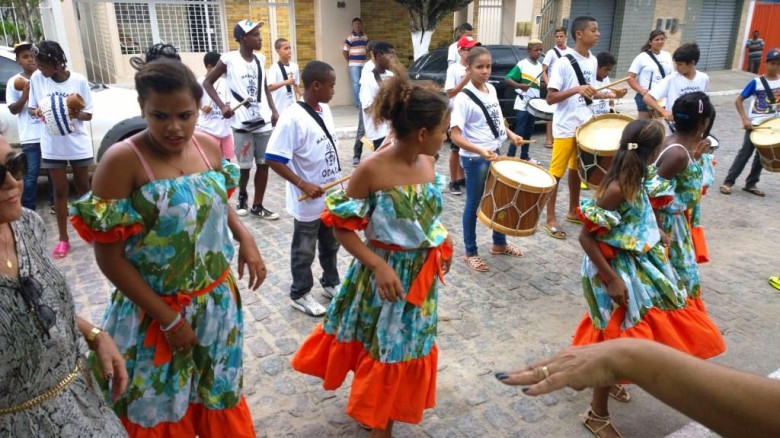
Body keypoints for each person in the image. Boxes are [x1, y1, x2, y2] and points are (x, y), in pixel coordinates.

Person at [69, 60, 265, 436]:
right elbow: (108, 258)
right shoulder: (123, 161)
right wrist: (169, 319)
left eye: (185, 115)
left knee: (215, 394)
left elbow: (215, 200)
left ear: (198, 108)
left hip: (217, 307)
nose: (174, 127)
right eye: (159, 115)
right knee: (154, 403)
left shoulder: (208, 147)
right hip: (152, 313)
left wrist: (245, 236)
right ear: (142, 109)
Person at [291, 72, 453, 438]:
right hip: (385, 278)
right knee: (387, 349)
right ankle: (381, 425)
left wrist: (441, 243)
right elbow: (341, 228)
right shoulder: (372, 169)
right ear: (424, 133)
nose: (447, 135)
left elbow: (425, 218)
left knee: (401, 346)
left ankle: (378, 411)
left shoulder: (429, 164)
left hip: (420, 282)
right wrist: (379, 265)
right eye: (444, 129)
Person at [569, 119, 724, 437]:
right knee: (617, 337)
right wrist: (612, 279)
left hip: (636, 263)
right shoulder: (616, 188)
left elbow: (640, 213)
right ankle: (596, 415)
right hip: (611, 270)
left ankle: (608, 383)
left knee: (643, 325)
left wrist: (656, 235)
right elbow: (587, 238)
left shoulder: (641, 177)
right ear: (653, 152)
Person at [0, 135, 128, 436]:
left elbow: (41, 303)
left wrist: (95, 335)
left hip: (83, 404)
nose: (12, 182)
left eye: (15, 165)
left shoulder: (27, 224)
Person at [496, 338, 779, 438]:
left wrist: (631, 358)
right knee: (610, 334)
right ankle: (598, 412)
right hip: (624, 280)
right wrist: (629, 357)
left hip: (645, 278)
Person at [265, 61, 341, 317]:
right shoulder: (291, 117)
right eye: (330, 86)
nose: (333, 91)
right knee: (304, 249)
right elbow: (273, 158)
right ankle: (300, 293)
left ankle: (330, 282)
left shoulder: (325, 110)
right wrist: (302, 183)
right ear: (315, 85)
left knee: (330, 245)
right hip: (307, 199)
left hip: (329, 196)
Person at [451, 47, 526, 272]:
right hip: (476, 160)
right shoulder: (463, 98)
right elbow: (454, 135)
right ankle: (470, 251)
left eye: (488, 66)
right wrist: (479, 150)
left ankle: (499, 243)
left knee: (500, 199)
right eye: (479, 67)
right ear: (468, 68)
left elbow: (497, 118)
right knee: (474, 204)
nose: (485, 71)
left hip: (496, 152)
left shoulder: (491, 89)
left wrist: (511, 135)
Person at [204, 19, 280, 219]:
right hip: (241, 123)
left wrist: (273, 110)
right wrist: (223, 106)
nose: (259, 38)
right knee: (245, 167)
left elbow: (264, 87)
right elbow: (207, 83)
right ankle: (243, 197)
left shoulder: (261, 59)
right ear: (242, 38)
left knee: (264, 164)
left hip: (262, 121)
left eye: (258, 34)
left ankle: (258, 205)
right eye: (254, 34)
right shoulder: (228, 59)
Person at [646, 92, 716, 302]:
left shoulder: (678, 147)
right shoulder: (677, 153)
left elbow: (678, 182)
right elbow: (653, 194)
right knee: (677, 284)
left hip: (676, 223)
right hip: (668, 227)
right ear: (704, 123)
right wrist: (658, 233)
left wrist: (696, 158)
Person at [27, 41, 93, 259]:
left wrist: (71, 112)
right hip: (52, 144)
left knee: (83, 188)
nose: (38, 69)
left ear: (55, 64)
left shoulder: (78, 81)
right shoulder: (38, 79)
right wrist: (40, 112)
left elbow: (89, 114)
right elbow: (32, 108)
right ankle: (63, 239)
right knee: (59, 191)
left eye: (41, 65)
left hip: (77, 143)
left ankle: (92, 231)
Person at [542, 17, 599, 241]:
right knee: (556, 174)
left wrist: (608, 94)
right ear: (579, 34)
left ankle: (573, 210)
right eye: (593, 30)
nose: (598, 34)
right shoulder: (564, 63)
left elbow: (589, 91)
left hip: (583, 124)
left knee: (577, 170)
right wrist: (576, 89)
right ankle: (550, 218)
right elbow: (550, 97)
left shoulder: (592, 60)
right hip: (565, 127)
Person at [720, 48, 780, 198]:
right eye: (772, 63)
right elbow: (739, 100)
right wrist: (745, 119)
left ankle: (751, 183)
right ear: (766, 63)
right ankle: (728, 182)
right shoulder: (756, 82)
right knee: (744, 154)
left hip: (773, 125)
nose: (775, 66)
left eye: (778, 64)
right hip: (755, 125)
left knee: (763, 156)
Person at [6, 42, 44, 211]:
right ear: (18, 60)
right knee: (31, 174)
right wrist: (25, 96)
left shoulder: (45, 77)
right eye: (25, 57)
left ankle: (55, 205)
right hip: (30, 136)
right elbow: (13, 110)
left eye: (32, 56)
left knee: (55, 172)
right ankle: (28, 209)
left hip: (49, 133)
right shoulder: (14, 82)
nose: (30, 60)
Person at [444, 35, 480, 194]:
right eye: (469, 49)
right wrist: (466, 78)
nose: (473, 52)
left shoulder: (477, 67)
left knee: (467, 148)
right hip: (458, 115)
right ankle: (453, 180)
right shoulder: (453, 69)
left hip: (471, 115)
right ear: (460, 51)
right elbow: (450, 93)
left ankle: (461, 177)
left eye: (474, 49)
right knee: (455, 149)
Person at [643, 43, 710, 122]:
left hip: (694, 125)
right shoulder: (671, 79)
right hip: (674, 125)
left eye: (679, 64)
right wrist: (663, 111)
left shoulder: (703, 78)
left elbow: (703, 102)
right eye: (676, 64)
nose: (676, 67)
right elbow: (647, 98)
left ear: (692, 63)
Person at [505, 38, 544, 162]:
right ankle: (510, 155)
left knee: (529, 131)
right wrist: (520, 86)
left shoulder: (540, 67)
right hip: (523, 102)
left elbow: (538, 84)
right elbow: (508, 79)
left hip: (534, 104)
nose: (538, 52)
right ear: (529, 50)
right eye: (536, 50)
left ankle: (524, 156)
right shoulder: (522, 64)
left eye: (540, 50)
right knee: (519, 130)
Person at [197, 51, 235, 160]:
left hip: (225, 129)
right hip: (208, 128)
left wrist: (230, 109)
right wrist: (202, 107)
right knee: (210, 160)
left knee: (227, 160)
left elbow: (229, 102)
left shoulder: (224, 82)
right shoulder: (199, 82)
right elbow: (191, 99)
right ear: (209, 67)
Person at [627, 30, 673, 119]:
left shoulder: (667, 55)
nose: (660, 42)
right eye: (657, 39)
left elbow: (671, 76)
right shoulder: (642, 57)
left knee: (661, 125)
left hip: (662, 97)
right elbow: (630, 77)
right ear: (650, 42)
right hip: (646, 96)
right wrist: (642, 91)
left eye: (662, 39)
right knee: (644, 126)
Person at [360, 41, 395, 151]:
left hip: (393, 130)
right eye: (390, 56)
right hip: (379, 132)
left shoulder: (392, 76)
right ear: (379, 56)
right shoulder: (368, 80)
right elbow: (367, 108)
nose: (393, 60)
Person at [541, 27, 572, 149]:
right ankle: (549, 138)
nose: (559, 39)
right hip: (554, 86)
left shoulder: (570, 52)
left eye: (561, 36)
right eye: (557, 36)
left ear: (566, 37)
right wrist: (549, 83)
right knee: (551, 114)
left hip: (566, 86)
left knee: (564, 111)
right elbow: (543, 70)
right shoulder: (551, 52)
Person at [352, 40, 377, 166]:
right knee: (362, 129)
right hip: (367, 102)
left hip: (379, 104)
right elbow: (363, 86)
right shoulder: (368, 67)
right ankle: (357, 154)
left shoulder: (385, 67)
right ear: (372, 53)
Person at [267, 38, 301, 114]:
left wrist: (300, 95)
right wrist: (286, 82)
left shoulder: (295, 66)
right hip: (279, 108)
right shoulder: (274, 68)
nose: (289, 51)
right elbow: (269, 88)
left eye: (289, 48)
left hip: (292, 107)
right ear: (278, 51)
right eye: (286, 48)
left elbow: (296, 85)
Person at [591, 51, 627, 116]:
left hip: (605, 114)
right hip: (592, 115)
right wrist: (608, 95)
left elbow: (610, 98)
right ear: (597, 66)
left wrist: (611, 100)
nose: (608, 72)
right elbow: (590, 95)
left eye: (610, 70)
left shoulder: (606, 79)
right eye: (606, 69)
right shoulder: (590, 79)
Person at [343, 17, 368, 108]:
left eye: (358, 23)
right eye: (355, 24)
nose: (357, 25)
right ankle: (358, 103)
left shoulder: (365, 36)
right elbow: (345, 51)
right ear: (353, 26)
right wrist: (349, 61)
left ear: (361, 25)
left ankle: (364, 101)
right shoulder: (350, 37)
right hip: (354, 64)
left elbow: (366, 48)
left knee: (363, 82)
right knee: (356, 83)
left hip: (364, 64)